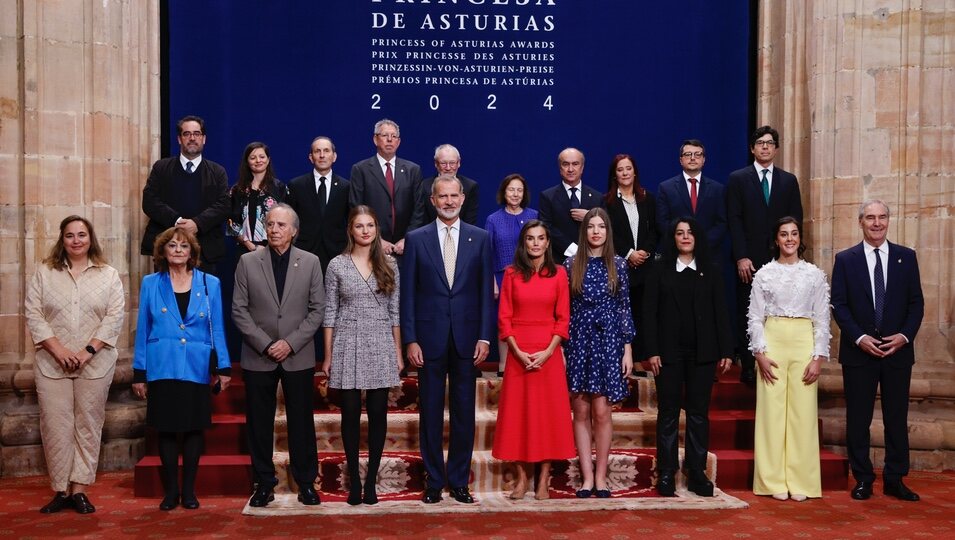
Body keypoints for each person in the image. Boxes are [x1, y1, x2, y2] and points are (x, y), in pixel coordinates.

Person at [401, 174, 494, 504]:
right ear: (433, 200)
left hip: (468, 340)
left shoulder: (480, 238)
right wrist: (410, 339)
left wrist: (485, 336)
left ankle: (458, 480)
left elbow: (485, 293)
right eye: (443, 196)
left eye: (455, 196)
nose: (450, 201)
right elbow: (408, 295)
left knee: (464, 412)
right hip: (428, 340)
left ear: (463, 199)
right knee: (430, 411)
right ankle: (433, 479)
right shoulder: (416, 239)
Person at [25, 216, 125, 515]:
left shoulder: (108, 275)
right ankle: (60, 490)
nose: (76, 240)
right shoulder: (45, 272)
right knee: (56, 426)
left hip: (94, 364)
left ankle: (79, 489)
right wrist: (57, 349)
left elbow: (114, 316)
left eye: (82, 235)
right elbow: (33, 313)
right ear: (62, 240)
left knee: (88, 426)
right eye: (70, 236)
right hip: (51, 364)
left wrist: (86, 351)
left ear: (91, 238)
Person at [232, 204, 325, 508]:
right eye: (270, 224)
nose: (274, 229)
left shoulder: (310, 262)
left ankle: (306, 482)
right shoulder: (247, 262)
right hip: (259, 356)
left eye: (281, 225)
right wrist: (266, 343)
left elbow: (317, 310)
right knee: (259, 423)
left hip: (297, 355)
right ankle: (264, 483)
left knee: (301, 421)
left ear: (294, 231)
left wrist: (290, 343)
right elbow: (239, 310)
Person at [132, 227, 232, 511]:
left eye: (184, 246)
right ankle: (170, 491)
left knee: (192, 430)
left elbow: (217, 328)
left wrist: (223, 367)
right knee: (165, 430)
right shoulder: (151, 283)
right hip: (161, 365)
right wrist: (140, 372)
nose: (178, 250)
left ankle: (189, 490)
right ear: (163, 251)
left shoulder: (209, 283)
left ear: (192, 252)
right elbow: (143, 329)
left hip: (196, 366)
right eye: (172, 245)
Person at [831, 200, 924, 502]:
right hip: (859, 352)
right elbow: (839, 305)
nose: (877, 223)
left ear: (888, 221)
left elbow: (916, 304)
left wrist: (905, 336)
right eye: (870, 218)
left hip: (897, 352)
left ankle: (895, 479)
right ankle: (863, 479)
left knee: (896, 418)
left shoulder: (906, 257)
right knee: (859, 419)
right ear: (860, 222)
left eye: (882, 217)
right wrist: (859, 337)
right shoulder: (846, 259)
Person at [643, 217, 733, 497]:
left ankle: (696, 471)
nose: (685, 237)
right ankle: (667, 471)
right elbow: (649, 313)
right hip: (668, 353)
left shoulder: (711, 270)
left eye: (690, 233)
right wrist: (652, 350)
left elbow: (721, 312)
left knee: (698, 413)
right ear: (673, 238)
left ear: (697, 237)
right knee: (668, 412)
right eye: (680, 233)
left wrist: (727, 349)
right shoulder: (659, 270)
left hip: (703, 353)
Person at [321, 205, 402, 506]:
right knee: (350, 414)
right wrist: (328, 356)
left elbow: (395, 311)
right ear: (350, 230)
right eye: (359, 226)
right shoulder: (336, 265)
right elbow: (330, 312)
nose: (365, 230)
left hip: (381, 339)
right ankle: (354, 480)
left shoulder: (390, 264)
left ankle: (371, 485)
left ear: (376, 229)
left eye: (370, 225)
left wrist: (397, 351)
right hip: (347, 340)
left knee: (378, 414)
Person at [747, 217, 830, 501]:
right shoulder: (764, 274)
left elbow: (822, 319)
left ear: (800, 238)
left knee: (803, 415)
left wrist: (818, 357)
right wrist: (760, 353)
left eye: (794, 234)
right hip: (773, 340)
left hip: (804, 341)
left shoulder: (815, 275)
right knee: (771, 413)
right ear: (776, 240)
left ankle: (802, 481)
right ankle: (772, 481)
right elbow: (755, 317)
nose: (790, 239)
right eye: (784, 234)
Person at [492, 220, 575, 501]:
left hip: (547, 355)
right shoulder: (512, 274)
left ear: (548, 242)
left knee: (547, 418)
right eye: (530, 238)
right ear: (524, 243)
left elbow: (563, 319)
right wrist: (517, 351)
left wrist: (548, 351)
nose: (536, 243)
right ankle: (522, 478)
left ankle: (544, 480)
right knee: (517, 417)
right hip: (519, 354)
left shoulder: (560, 274)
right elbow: (504, 318)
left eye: (541, 238)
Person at [563, 207, 634, 498]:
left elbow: (624, 307)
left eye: (600, 227)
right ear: (584, 231)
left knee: (602, 412)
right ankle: (587, 477)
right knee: (580, 409)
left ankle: (602, 476)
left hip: (609, 342)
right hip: (579, 340)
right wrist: (564, 348)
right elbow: (564, 310)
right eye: (591, 226)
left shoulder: (619, 264)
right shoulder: (570, 265)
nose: (595, 231)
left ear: (607, 231)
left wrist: (627, 348)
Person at [727, 126, 803, 384]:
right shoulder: (738, 179)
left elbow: (796, 219)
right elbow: (734, 220)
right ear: (752, 148)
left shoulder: (788, 180)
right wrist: (741, 256)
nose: (765, 147)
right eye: (760, 143)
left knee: (778, 311)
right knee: (749, 312)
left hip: (781, 259)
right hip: (749, 261)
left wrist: (790, 256)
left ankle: (778, 359)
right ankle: (749, 366)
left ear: (776, 148)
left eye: (770, 143)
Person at [141, 115, 230, 274]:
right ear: (179, 139)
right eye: (187, 134)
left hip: (206, 252)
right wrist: (176, 221)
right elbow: (149, 201)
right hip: (167, 250)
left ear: (204, 139)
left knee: (203, 298)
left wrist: (197, 223)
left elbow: (223, 205)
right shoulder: (161, 168)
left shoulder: (217, 172)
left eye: (196, 134)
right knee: (166, 298)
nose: (192, 138)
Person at [604, 153, 658, 361]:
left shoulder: (647, 198)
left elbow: (655, 229)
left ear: (635, 172)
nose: (625, 173)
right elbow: (610, 233)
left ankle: (639, 359)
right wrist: (629, 254)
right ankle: (622, 358)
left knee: (644, 313)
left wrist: (645, 252)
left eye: (628, 168)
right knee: (623, 313)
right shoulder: (607, 202)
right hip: (620, 266)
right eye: (620, 170)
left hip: (645, 266)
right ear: (614, 175)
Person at [485, 173, 538, 375]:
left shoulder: (533, 215)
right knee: (504, 322)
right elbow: (486, 253)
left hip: (529, 276)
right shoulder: (493, 219)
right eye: (511, 189)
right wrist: (492, 280)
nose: (515, 194)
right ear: (503, 192)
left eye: (519, 190)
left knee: (525, 320)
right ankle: (503, 365)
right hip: (501, 277)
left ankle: (527, 360)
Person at [349, 119, 423, 256]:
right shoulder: (361, 169)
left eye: (394, 136)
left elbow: (419, 209)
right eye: (384, 135)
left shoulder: (413, 170)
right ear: (375, 140)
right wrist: (377, 240)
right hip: (372, 248)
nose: (390, 140)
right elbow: (356, 208)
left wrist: (408, 238)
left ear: (398, 142)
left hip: (405, 247)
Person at [287, 136, 350, 274]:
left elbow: (350, 220)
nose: (322, 155)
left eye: (326, 151)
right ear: (311, 157)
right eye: (317, 151)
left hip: (337, 253)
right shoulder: (296, 185)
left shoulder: (346, 187)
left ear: (334, 156)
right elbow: (290, 221)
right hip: (304, 252)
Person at [656, 139, 727, 255]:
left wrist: (700, 244)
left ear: (704, 160)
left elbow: (721, 223)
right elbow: (662, 222)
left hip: (708, 254)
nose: (693, 158)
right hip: (676, 255)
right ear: (681, 160)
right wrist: (682, 243)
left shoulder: (717, 189)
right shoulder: (666, 188)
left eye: (697, 154)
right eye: (688, 154)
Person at [539, 147, 603, 263]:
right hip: (559, 261)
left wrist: (590, 217)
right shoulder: (547, 196)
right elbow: (546, 227)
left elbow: (607, 225)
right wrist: (573, 249)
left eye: (575, 164)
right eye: (565, 164)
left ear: (582, 168)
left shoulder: (597, 197)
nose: (570, 169)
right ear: (560, 168)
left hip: (593, 259)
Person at [227, 142, 288, 254]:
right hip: (245, 250)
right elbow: (232, 224)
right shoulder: (238, 190)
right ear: (247, 162)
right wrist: (251, 246)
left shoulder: (279, 187)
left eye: (262, 157)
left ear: (268, 159)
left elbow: (286, 221)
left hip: (275, 249)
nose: (258, 161)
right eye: (253, 158)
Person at [409, 144, 479, 230]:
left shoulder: (470, 187)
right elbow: (420, 219)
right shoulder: (424, 187)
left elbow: (470, 222)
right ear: (436, 164)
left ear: (459, 163)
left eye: (452, 163)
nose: (448, 168)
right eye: (443, 163)